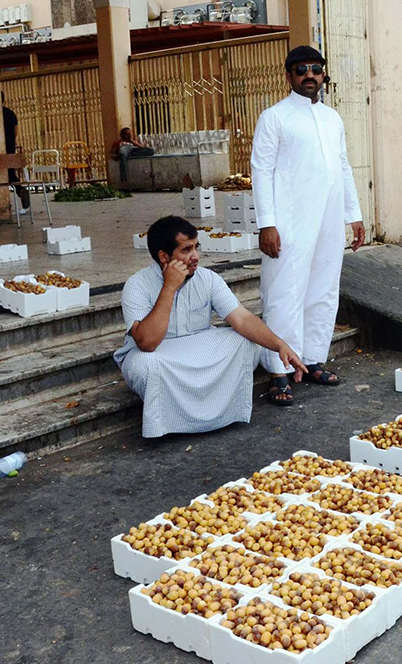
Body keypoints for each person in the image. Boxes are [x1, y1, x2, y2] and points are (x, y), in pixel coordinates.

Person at [114, 215, 306, 438]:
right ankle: (169, 425)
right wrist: (169, 287)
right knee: (144, 366)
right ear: (164, 256)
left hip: (200, 348)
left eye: (196, 247)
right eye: (186, 250)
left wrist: (279, 345)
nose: (196, 256)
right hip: (161, 354)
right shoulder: (137, 285)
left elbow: (242, 319)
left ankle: (221, 415)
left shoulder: (208, 278)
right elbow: (147, 343)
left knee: (247, 343)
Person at [251, 45, 364, 406]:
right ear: (289, 76)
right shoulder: (274, 117)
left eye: (315, 69)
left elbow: (342, 167)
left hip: (328, 218)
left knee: (323, 288)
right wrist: (267, 224)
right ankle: (278, 371)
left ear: (323, 74)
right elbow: (261, 172)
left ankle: (312, 359)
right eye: (301, 70)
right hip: (289, 220)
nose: (309, 75)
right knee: (284, 292)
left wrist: (354, 214)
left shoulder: (332, 118)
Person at [1, 92, 30, 215]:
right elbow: (15, 132)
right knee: (10, 171)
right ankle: (20, 189)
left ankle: (19, 190)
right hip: (10, 147)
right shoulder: (10, 113)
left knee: (2, 173)